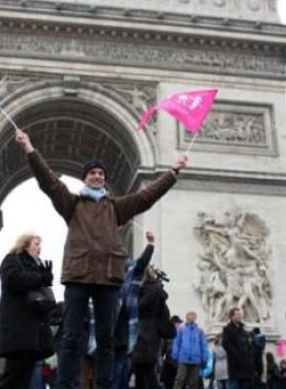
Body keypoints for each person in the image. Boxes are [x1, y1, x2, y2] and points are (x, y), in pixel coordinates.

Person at [15, 129, 187, 389]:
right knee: (71, 337)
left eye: (101, 174)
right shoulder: (71, 203)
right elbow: (49, 181)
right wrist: (29, 148)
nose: (97, 176)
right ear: (85, 178)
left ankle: (104, 385)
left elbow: (146, 196)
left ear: (104, 181)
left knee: (106, 338)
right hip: (78, 275)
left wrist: (172, 172)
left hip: (108, 277)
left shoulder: (116, 207)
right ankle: (66, 384)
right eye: (93, 173)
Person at [0, 234, 55, 388]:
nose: (39, 248)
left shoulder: (36, 266)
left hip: (33, 334)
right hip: (18, 330)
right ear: (25, 244)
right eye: (36, 244)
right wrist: (39, 278)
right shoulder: (12, 259)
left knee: (23, 379)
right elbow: (12, 280)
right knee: (12, 377)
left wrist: (46, 279)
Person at [113, 230, 156, 389]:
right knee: (114, 373)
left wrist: (150, 244)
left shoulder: (130, 271)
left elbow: (142, 262)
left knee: (122, 372)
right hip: (112, 331)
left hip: (124, 333)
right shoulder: (110, 272)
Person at [131, 263, 175, 388]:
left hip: (146, 334)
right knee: (141, 372)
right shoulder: (153, 291)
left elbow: (138, 307)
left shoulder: (152, 292)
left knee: (147, 372)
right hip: (147, 334)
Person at [172, 311, 209, 389]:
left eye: (193, 315)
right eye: (190, 315)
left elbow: (204, 345)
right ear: (187, 317)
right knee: (180, 379)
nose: (192, 317)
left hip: (196, 360)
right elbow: (176, 343)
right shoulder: (181, 329)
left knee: (194, 382)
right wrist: (175, 355)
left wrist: (204, 358)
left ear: (195, 317)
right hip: (183, 358)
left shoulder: (200, 330)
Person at [222, 308, 253, 389]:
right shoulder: (227, 329)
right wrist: (236, 355)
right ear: (232, 317)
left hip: (246, 365)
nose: (240, 316)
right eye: (237, 314)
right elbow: (226, 344)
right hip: (235, 365)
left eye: (240, 314)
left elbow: (248, 344)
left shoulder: (243, 329)